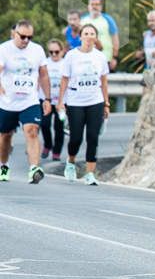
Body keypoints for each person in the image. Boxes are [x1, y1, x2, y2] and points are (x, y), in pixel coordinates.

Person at [57, 24, 110, 185]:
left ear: (95, 37)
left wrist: (106, 103)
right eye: (85, 33)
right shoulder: (71, 56)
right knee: (76, 138)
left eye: (92, 33)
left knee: (93, 137)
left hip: (95, 100)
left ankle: (90, 173)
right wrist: (60, 102)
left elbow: (104, 81)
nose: (88, 36)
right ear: (80, 37)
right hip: (75, 101)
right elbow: (65, 79)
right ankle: (71, 162)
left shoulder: (100, 56)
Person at [0, 20, 51, 183]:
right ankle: (3, 165)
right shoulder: (4, 49)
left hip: (29, 100)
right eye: (22, 37)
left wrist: (47, 98)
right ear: (14, 34)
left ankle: (34, 169)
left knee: (32, 130)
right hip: (7, 101)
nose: (26, 40)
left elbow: (43, 74)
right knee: (5, 136)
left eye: (30, 37)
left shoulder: (37, 50)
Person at [40, 40, 66, 161]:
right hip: (46, 99)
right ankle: (48, 144)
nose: (54, 54)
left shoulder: (66, 63)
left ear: (62, 51)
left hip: (61, 101)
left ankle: (56, 152)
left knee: (59, 127)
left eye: (57, 52)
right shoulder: (45, 63)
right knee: (44, 124)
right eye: (51, 52)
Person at [81, 0, 120, 71]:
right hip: (86, 58)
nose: (94, 7)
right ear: (88, 6)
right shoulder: (82, 20)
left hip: (105, 58)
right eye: (92, 4)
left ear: (101, 6)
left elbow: (115, 39)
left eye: (97, 4)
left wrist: (114, 57)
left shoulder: (108, 19)